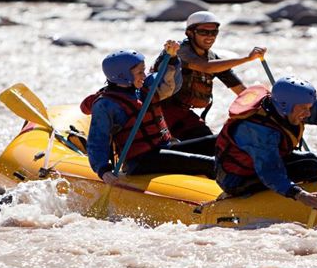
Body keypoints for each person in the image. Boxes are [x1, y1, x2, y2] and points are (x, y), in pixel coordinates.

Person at [215, 77, 317, 209]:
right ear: (284, 105)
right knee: (313, 167)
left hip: (269, 162)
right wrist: (300, 195)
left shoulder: (290, 107)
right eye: (304, 109)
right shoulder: (259, 131)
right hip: (238, 179)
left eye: (308, 107)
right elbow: (270, 172)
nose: (308, 113)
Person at [82, 41, 216, 184]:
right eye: (140, 72)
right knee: (208, 163)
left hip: (163, 148)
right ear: (123, 75)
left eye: (144, 70)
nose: (144, 75)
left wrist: (170, 57)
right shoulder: (106, 105)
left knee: (216, 142)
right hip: (140, 161)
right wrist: (103, 170)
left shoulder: (144, 89)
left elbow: (170, 84)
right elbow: (97, 141)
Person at [158, 11, 267, 145]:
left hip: (183, 113)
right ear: (190, 33)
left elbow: (240, 90)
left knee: (210, 144)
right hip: (160, 111)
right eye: (204, 32)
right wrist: (247, 59)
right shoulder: (179, 51)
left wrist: (265, 107)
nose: (210, 37)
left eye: (214, 32)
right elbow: (206, 67)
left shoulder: (213, 59)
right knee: (204, 145)